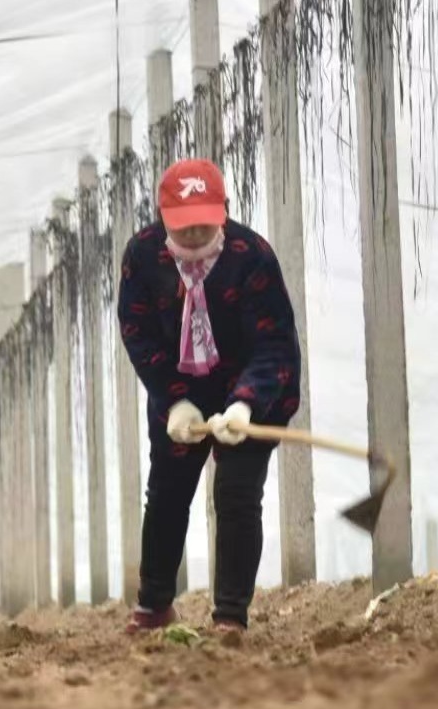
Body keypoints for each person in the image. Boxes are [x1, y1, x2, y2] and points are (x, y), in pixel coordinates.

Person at [115, 159, 303, 635]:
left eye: (204, 222)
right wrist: (173, 400)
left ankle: (230, 617)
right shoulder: (142, 257)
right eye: (183, 225)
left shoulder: (251, 256)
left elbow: (274, 343)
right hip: (181, 388)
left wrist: (244, 403)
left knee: (237, 493)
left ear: (224, 211)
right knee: (168, 492)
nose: (195, 233)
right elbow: (138, 333)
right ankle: (155, 604)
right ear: (163, 218)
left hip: (254, 388)